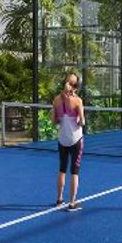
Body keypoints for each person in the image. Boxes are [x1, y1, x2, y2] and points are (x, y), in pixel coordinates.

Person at [51, 72, 85, 211]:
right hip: (76, 139)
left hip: (62, 139)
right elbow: (82, 122)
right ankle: (72, 203)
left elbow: (54, 121)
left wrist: (62, 118)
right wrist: (78, 119)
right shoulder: (78, 101)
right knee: (74, 172)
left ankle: (59, 199)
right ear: (75, 86)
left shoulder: (56, 100)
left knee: (62, 169)